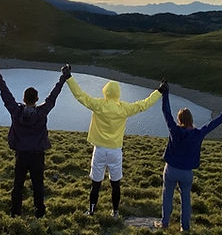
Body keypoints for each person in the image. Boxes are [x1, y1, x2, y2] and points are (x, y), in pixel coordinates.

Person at [64, 65, 161, 217]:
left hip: (100, 150)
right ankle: (115, 212)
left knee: (96, 183)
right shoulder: (124, 108)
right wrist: (159, 91)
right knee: (115, 184)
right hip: (115, 151)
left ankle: (91, 210)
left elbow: (80, 96)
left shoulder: (98, 105)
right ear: (118, 93)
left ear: (105, 92)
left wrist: (69, 77)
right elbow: (144, 104)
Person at [0, 63, 68, 218]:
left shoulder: (16, 111)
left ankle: (15, 213)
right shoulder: (42, 112)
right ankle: (39, 213)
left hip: (21, 154)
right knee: (38, 185)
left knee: (18, 184)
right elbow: (53, 96)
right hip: (37, 154)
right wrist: (63, 77)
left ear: (23, 99)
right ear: (37, 99)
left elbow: (5, 94)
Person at [156, 81, 222, 231]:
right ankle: (184, 228)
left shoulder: (175, 130)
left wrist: (165, 93)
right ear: (191, 119)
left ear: (180, 120)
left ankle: (164, 223)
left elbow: (166, 112)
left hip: (171, 169)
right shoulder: (199, 133)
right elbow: (215, 123)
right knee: (186, 199)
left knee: (167, 197)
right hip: (186, 173)